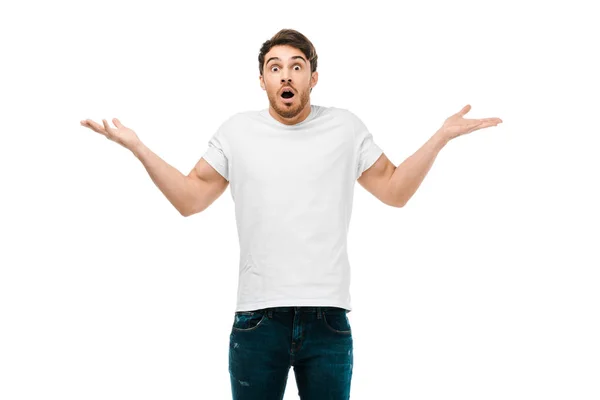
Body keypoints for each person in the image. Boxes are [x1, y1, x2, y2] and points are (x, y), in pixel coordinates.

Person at [80, 28, 502, 400]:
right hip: (257, 320)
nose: (286, 74)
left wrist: (440, 137)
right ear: (262, 80)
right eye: (275, 67)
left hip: (328, 320)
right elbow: (190, 199)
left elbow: (394, 190)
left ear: (313, 78)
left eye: (297, 66)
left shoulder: (345, 127)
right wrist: (138, 148)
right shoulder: (236, 131)